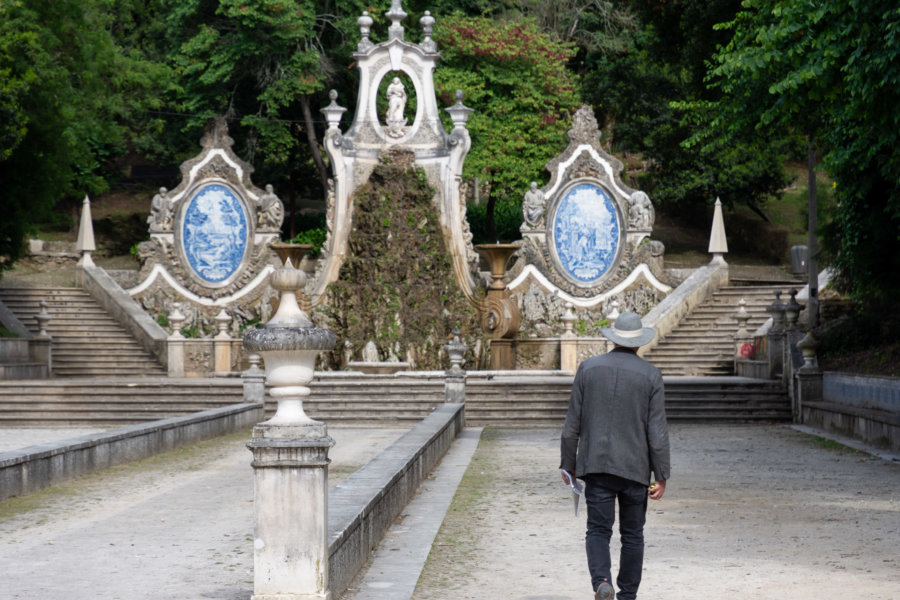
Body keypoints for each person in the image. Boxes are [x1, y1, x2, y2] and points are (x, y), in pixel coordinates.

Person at [560, 311, 670, 600]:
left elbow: (572, 425)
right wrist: (661, 476)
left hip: (596, 465)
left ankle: (601, 582)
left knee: (598, 529)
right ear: (639, 343)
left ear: (613, 339)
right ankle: (627, 595)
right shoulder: (651, 375)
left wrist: (567, 465)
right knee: (633, 534)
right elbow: (657, 432)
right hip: (635, 468)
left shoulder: (588, 369)